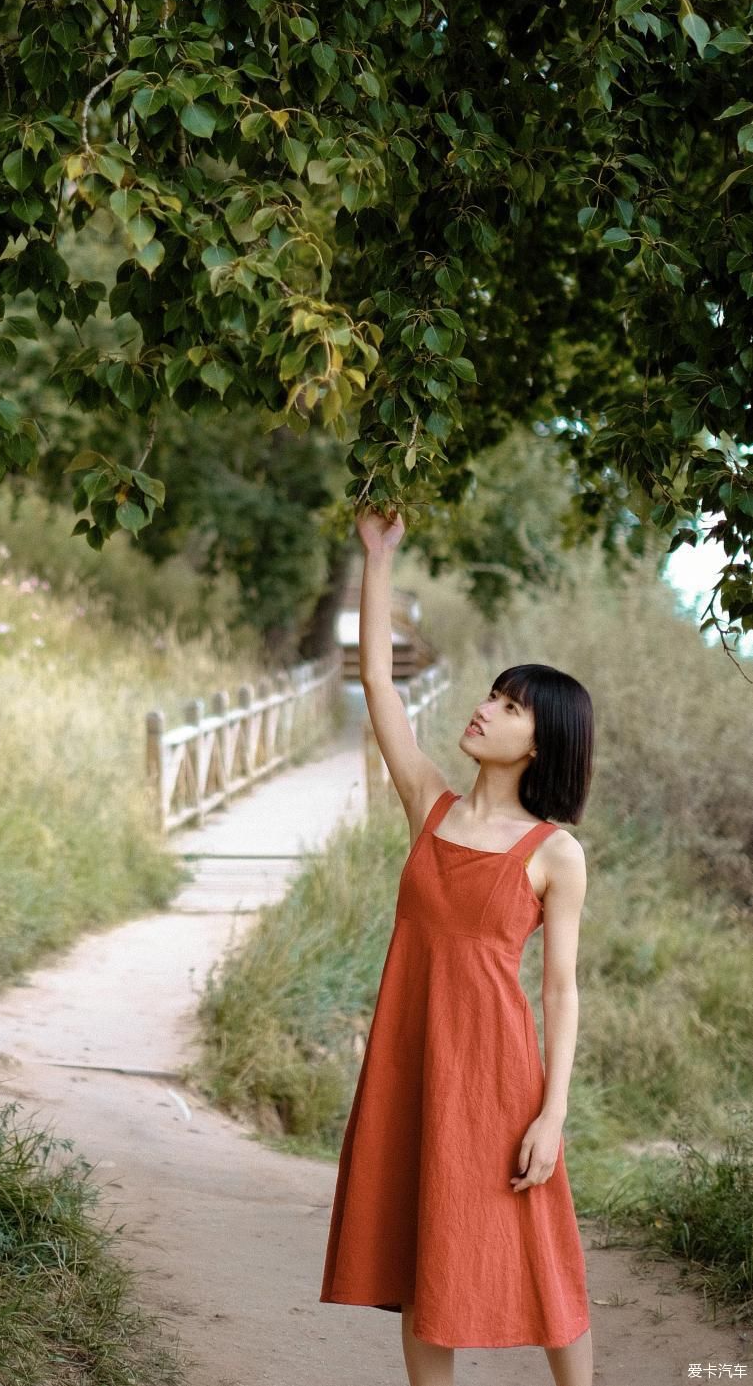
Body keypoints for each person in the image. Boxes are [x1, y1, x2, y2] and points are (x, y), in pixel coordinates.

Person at [319, 505, 594, 1386]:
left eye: (508, 706)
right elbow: (379, 684)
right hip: (411, 1061)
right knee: (416, 1263)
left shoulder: (553, 851)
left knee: (541, 1255)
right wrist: (377, 556)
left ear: (539, 739)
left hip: (497, 1075)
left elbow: (559, 992)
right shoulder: (429, 805)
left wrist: (550, 1114)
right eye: (490, 694)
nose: (484, 710)